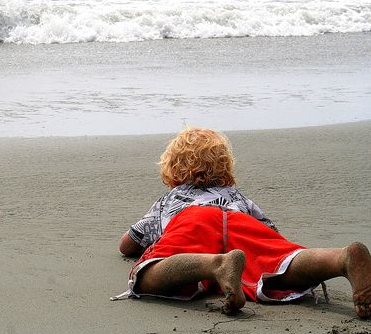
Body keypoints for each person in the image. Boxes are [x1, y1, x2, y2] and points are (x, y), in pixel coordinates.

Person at [112, 127, 371, 318]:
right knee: (281, 261)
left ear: (171, 169)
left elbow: (128, 244)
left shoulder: (169, 199)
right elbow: (270, 232)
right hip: (237, 220)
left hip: (192, 221)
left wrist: (142, 247)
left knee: (146, 276)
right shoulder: (237, 197)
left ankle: (215, 264)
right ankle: (341, 259)